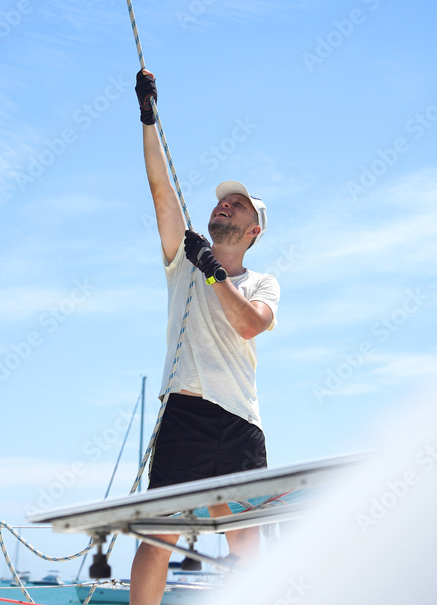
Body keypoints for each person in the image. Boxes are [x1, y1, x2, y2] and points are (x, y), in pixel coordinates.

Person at [129, 69, 280, 605]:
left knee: (245, 544)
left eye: (236, 205)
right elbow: (161, 192)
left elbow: (248, 323)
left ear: (254, 230)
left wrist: (214, 270)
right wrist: (149, 119)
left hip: (240, 424)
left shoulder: (261, 282)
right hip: (187, 417)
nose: (223, 206)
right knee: (156, 537)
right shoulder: (185, 266)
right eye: (222, 202)